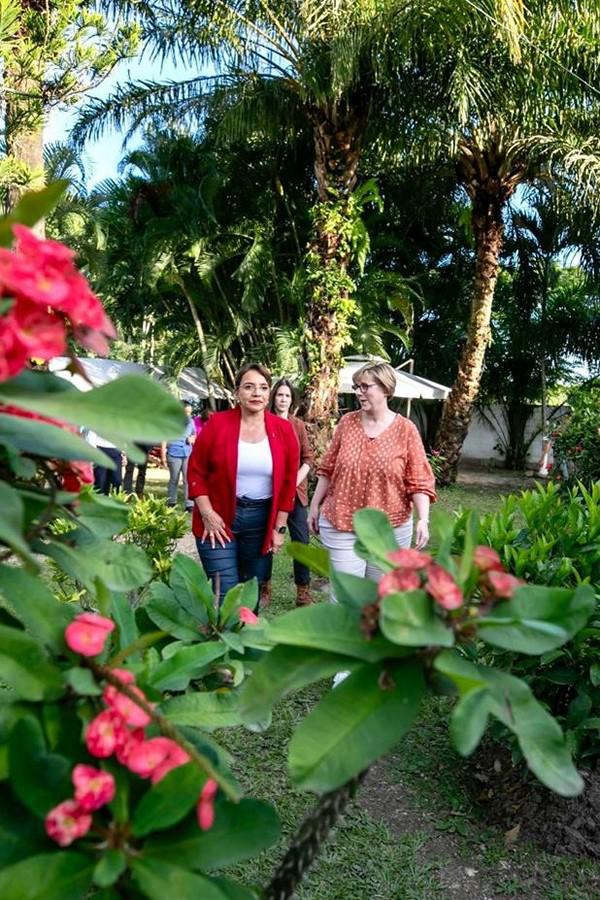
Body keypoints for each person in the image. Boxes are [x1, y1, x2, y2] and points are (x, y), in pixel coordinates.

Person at [308, 361, 436, 589]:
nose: (359, 392)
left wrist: (423, 519)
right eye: (357, 387)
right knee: (346, 597)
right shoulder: (347, 423)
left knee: (384, 597)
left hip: (389, 528)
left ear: (385, 389)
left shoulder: (406, 430)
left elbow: (419, 481)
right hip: (342, 522)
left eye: (365, 386)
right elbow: (328, 469)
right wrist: (315, 505)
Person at [187, 363, 299, 605]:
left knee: (251, 596)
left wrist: (279, 529)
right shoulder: (217, 424)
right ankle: (221, 639)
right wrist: (207, 513)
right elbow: (196, 471)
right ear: (237, 392)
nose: (256, 393)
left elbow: (289, 484)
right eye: (249, 387)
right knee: (224, 595)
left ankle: (246, 642)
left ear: (269, 394)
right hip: (217, 518)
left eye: (263, 388)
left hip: (261, 521)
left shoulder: (284, 430)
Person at [269, 378, 314, 606]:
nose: (283, 399)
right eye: (279, 395)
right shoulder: (262, 423)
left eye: (287, 396)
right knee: (264, 540)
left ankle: (302, 591)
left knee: (301, 542)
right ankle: (263, 587)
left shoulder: (298, 425)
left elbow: (308, 458)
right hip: (268, 492)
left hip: (296, 494)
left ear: (292, 400)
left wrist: (294, 481)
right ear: (273, 398)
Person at [161, 401, 195, 511]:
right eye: (186, 412)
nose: (188, 415)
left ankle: (189, 504)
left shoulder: (191, 422)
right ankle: (171, 502)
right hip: (174, 453)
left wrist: (193, 438)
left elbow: (195, 434)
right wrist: (163, 456)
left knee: (187, 480)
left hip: (187, 453)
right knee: (174, 479)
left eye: (190, 412)